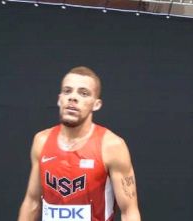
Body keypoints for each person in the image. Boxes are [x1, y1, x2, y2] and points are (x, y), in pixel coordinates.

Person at [18, 66, 141, 221]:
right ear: (59, 99)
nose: (73, 98)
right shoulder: (41, 141)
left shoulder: (111, 146)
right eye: (67, 91)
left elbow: (129, 212)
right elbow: (32, 202)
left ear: (96, 104)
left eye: (83, 93)